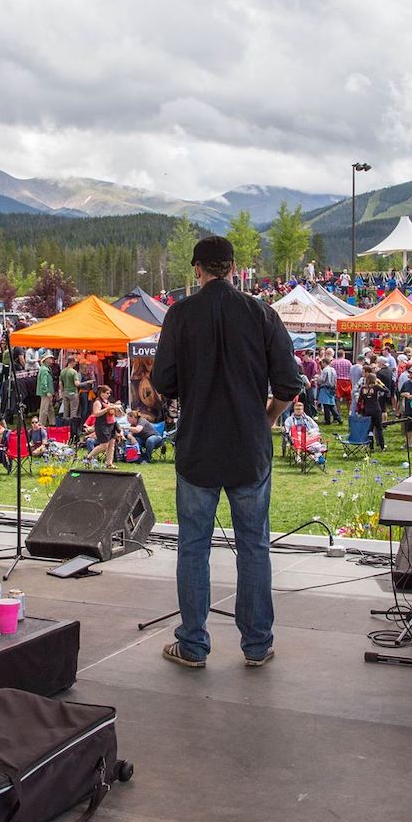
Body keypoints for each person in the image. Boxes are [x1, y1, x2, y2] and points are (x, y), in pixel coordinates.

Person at [153, 235, 302, 669]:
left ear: (197, 270)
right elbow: (290, 384)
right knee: (254, 545)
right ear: (233, 268)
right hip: (248, 448)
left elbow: (163, 381)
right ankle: (257, 645)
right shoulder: (261, 313)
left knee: (193, 547)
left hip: (198, 446)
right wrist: (268, 417)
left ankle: (194, 646)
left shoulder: (180, 315)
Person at [283, 399, 327, 466]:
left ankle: (316, 455)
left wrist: (311, 432)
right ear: (294, 410)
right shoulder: (289, 420)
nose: (298, 410)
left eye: (300, 409)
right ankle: (298, 456)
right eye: (297, 409)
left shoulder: (307, 418)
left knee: (315, 437)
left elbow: (316, 427)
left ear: (303, 410)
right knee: (297, 438)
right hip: (296, 437)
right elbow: (287, 430)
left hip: (308, 435)